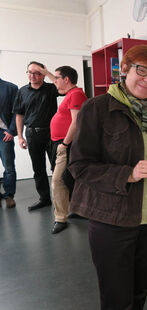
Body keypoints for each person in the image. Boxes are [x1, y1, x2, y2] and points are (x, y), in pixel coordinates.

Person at [68, 45, 147, 310]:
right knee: (116, 297)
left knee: (140, 291)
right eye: (142, 70)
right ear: (124, 70)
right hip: (112, 219)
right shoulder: (97, 108)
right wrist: (128, 173)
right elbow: (79, 165)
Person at [39, 65, 87, 234]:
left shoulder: (76, 95)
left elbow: (76, 122)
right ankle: (78, 209)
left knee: (58, 180)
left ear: (66, 80)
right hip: (61, 143)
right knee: (69, 179)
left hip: (66, 144)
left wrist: (64, 144)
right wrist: (47, 73)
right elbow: (57, 79)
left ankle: (60, 218)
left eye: (57, 79)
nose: (54, 82)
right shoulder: (71, 93)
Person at [13, 61, 59, 211]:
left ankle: (63, 201)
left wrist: (48, 72)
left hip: (51, 133)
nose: (32, 75)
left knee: (57, 168)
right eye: (30, 72)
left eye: (37, 72)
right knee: (38, 169)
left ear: (43, 75)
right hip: (32, 134)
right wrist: (20, 136)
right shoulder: (22, 91)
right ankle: (44, 199)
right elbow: (19, 114)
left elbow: (63, 87)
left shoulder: (52, 88)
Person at [0, 77, 18, 208]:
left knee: (9, 166)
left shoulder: (10, 88)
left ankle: (9, 196)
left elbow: (17, 112)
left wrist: (12, 131)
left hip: (4, 133)